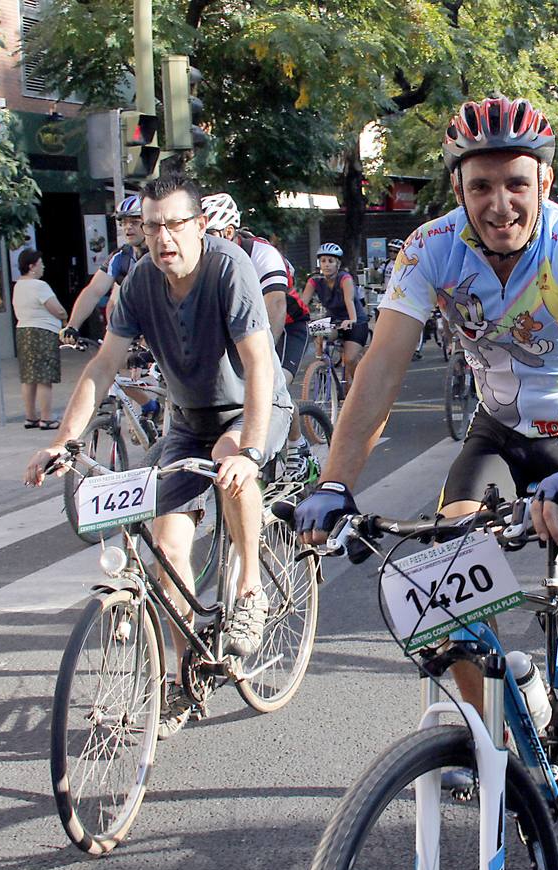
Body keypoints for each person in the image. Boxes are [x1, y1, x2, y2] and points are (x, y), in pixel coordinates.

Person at [295, 95, 558, 840]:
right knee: (443, 586)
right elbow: (381, 366)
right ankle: (492, 738)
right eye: (480, 186)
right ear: (458, 190)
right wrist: (335, 481)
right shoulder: (429, 249)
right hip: (499, 429)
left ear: (545, 184)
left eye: (516, 184)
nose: (499, 204)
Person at [24, 172, 294, 738]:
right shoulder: (141, 282)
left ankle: (250, 591)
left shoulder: (228, 268)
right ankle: (182, 676)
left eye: (174, 224)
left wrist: (248, 446)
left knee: (232, 468)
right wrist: (63, 440)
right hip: (187, 422)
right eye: (151, 227)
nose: (163, 237)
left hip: (252, 408)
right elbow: (103, 365)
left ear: (199, 225)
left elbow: (260, 363)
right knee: (168, 552)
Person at [201, 192, 314, 470]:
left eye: (210, 234)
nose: (202, 242)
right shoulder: (204, 258)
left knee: (276, 389)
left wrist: (264, 360)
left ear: (229, 232)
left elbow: (275, 306)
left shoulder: (261, 254)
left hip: (286, 326)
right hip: (240, 334)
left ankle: (297, 446)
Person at [65, 195, 146, 338]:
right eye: (124, 223)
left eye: (134, 222)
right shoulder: (120, 257)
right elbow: (94, 291)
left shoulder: (163, 254)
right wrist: (72, 326)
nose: (128, 227)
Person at [12, 248, 68, 429]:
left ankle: (30, 417)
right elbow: (56, 309)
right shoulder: (39, 286)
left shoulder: (18, 285)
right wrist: (65, 317)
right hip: (43, 333)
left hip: (23, 331)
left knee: (29, 377)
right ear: (32, 266)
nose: (43, 267)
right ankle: (46, 417)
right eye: (40, 263)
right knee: (45, 378)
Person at [303, 243, 367, 385]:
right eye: (323, 261)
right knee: (316, 331)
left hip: (355, 321)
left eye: (330, 261)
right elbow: (303, 303)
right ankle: (321, 365)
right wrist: (300, 320)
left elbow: (349, 300)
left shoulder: (345, 278)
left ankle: (359, 386)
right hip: (334, 321)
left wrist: (351, 320)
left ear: (337, 263)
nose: (326, 265)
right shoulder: (314, 280)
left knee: (349, 359)